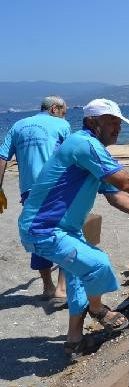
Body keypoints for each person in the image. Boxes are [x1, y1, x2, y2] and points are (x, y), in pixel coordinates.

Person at [18, 98, 129, 356]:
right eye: (110, 122)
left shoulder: (93, 150)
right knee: (98, 264)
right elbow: (127, 182)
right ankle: (98, 310)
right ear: (91, 122)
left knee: (77, 280)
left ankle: (74, 340)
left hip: (64, 230)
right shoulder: (84, 144)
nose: (116, 129)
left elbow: (115, 194)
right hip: (44, 229)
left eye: (119, 123)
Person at [0, 95, 70, 301]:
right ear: (55, 109)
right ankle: (61, 288)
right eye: (64, 111)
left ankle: (47, 287)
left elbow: (3, 158)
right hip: (57, 187)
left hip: (29, 190)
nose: (64, 115)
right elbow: (73, 155)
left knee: (39, 234)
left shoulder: (17, 126)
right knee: (65, 233)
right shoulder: (61, 124)